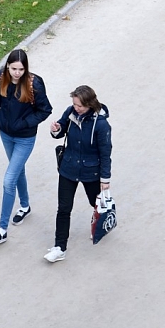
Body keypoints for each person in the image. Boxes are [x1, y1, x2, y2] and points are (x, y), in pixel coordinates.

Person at [0, 49, 52, 244]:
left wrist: (23, 123)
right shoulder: (1, 76)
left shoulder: (35, 84)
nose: (17, 73)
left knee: (9, 180)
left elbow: (45, 110)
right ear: (7, 66)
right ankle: (25, 206)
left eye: (21, 69)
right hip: (6, 134)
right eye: (14, 68)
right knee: (17, 171)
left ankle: (2, 228)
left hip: (24, 138)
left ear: (26, 69)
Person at [45, 85, 112, 262]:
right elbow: (60, 132)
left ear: (90, 104)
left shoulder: (102, 125)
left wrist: (105, 179)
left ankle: (98, 222)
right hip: (68, 169)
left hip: (91, 172)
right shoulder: (70, 112)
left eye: (79, 106)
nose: (76, 108)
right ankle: (60, 247)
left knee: (95, 203)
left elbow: (106, 153)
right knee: (64, 208)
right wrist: (56, 129)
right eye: (74, 104)